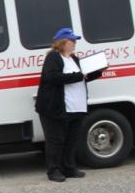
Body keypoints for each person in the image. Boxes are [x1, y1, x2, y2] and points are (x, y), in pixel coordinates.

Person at [35, 28, 103, 182]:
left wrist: (97, 72)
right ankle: (54, 170)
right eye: (72, 40)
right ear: (62, 42)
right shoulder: (53, 57)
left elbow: (82, 77)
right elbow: (52, 76)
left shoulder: (74, 59)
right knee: (56, 140)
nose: (75, 43)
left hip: (76, 107)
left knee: (71, 139)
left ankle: (69, 167)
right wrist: (79, 76)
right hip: (56, 107)